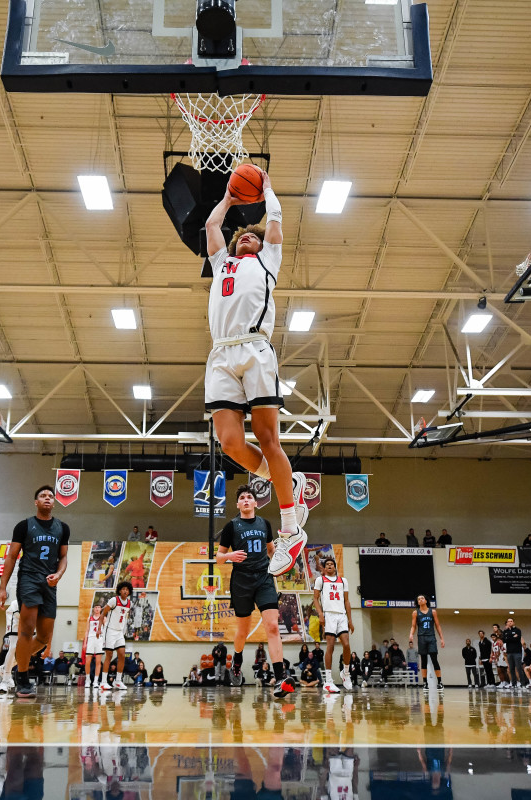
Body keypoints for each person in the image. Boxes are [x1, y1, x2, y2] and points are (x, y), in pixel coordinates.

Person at [204, 173, 309, 577]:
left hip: (255, 349)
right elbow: (212, 225)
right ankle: (287, 481)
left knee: (268, 437)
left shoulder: (269, 259)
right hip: (220, 354)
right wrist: (229, 198)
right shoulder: (222, 263)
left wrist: (265, 190)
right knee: (229, 442)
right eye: (243, 236)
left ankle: (289, 530)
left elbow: (277, 221)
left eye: (254, 235)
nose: (248, 237)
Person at [216, 484, 295, 699]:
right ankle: (238, 658)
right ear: (238, 504)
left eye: (249, 497)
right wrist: (229, 556)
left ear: (256, 503)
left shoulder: (265, 524)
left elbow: (271, 550)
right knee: (243, 631)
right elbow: (218, 557)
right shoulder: (231, 526)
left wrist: (282, 559)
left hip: (263, 578)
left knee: (272, 626)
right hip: (241, 581)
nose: (246, 500)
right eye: (242, 497)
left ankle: (280, 677)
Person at [0, 485, 71, 699]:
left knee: (45, 637)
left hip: (50, 583)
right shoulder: (24, 526)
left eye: (50, 496)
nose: (47, 498)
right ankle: (22, 679)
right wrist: (3, 588)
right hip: (29, 579)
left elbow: (64, 557)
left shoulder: (63, 528)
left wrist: (59, 574)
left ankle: (9, 666)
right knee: (26, 631)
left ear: (54, 502)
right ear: (36, 502)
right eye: (42, 496)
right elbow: (11, 557)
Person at [311, 556, 354, 693]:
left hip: (341, 614)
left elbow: (347, 601)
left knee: (346, 645)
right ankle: (328, 681)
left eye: (332, 564)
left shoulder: (343, 581)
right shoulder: (320, 580)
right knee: (330, 646)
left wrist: (350, 619)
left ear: (335, 567)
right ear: (324, 568)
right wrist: (321, 614)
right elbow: (315, 598)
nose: (330, 566)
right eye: (327, 564)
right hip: (329, 614)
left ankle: (345, 673)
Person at [98, 582, 133, 692]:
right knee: (109, 655)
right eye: (123, 589)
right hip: (110, 630)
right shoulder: (114, 600)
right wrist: (99, 628)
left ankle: (117, 681)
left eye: (127, 589)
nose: (125, 591)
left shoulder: (129, 603)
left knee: (122, 655)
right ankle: (103, 682)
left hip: (119, 632)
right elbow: (103, 613)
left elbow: (124, 616)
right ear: (119, 590)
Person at [0, 550, 21, 695]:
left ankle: (4, 668)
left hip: (34, 610)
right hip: (17, 610)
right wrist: (2, 589)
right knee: (14, 646)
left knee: (29, 650)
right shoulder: (24, 569)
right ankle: (5, 679)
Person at [408, 594, 445, 692]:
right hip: (421, 638)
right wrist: (411, 634)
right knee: (423, 660)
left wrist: (442, 638)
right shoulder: (415, 613)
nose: (420, 600)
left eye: (422, 598)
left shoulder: (433, 611)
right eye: (418, 599)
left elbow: (437, 625)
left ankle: (440, 682)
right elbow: (413, 626)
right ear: (417, 602)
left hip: (431, 637)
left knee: (434, 659)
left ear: (426, 600)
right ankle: (425, 683)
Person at [81, 604, 104, 692]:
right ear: (94, 609)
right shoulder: (89, 618)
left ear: (101, 609)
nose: (97, 609)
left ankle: (95, 681)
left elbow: (105, 631)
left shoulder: (103, 618)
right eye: (96, 607)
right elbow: (87, 631)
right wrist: (85, 643)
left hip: (99, 640)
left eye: (99, 607)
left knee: (98, 662)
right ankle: (87, 680)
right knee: (88, 661)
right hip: (90, 639)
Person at [502, 618, 529, 689]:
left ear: (513, 622)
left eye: (511, 621)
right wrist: (512, 637)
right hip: (509, 652)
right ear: (507, 623)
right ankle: (514, 683)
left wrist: (509, 638)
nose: (510, 623)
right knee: (511, 668)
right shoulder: (505, 631)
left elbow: (517, 639)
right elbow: (504, 640)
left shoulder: (517, 630)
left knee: (519, 668)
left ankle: (523, 683)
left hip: (517, 652)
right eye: (508, 621)